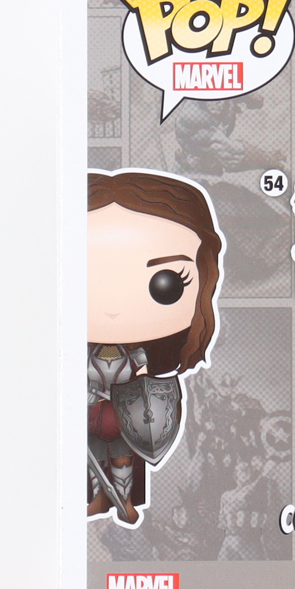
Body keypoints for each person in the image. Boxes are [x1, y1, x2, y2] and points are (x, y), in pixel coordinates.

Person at [87, 169, 223, 526]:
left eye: (166, 283)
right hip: (90, 413)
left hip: (123, 414)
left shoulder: (135, 355)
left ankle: (123, 499)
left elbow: (144, 377)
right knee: (93, 458)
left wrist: (141, 380)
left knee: (121, 458)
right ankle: (99, 499)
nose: (114, 307)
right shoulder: (81, 356)